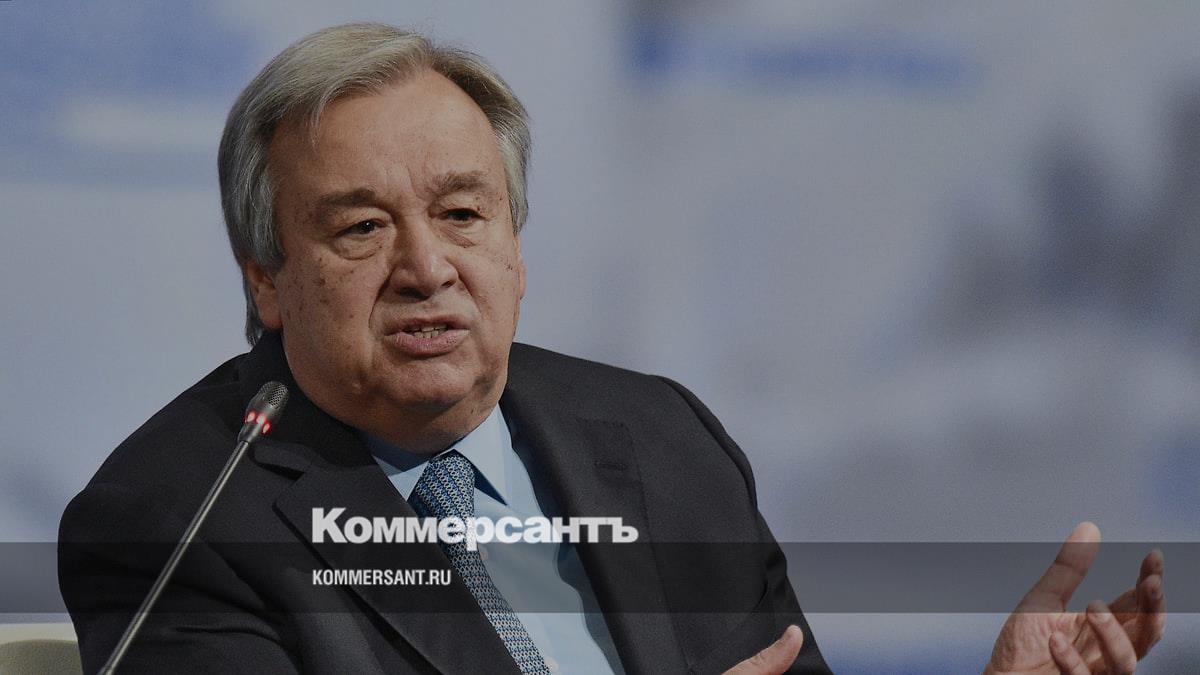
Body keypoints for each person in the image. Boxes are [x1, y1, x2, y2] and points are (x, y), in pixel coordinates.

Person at [59, 23, 1165, 674]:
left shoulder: (660, 436)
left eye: (463, 214)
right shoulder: (178, 518)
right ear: (264, 277)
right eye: (360, 229)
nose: (426, 267)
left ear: (515, 246)